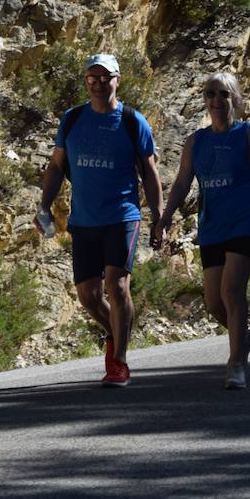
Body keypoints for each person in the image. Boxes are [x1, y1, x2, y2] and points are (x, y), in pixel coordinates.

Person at [151, 72, 250, 390]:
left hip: (245, 223)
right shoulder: (196, 141)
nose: (216, 101)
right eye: (210, 94)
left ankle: (236, 364)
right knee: (214, 303)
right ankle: (243, 337)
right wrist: (164, 218)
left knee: (232, 291)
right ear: (205, 100)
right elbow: (181, 183)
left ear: (235, 100)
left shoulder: (247, 135)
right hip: (212, 227)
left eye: (224, 94)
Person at [36, 53, 163, 387]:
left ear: (117, 79)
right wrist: (44, 206)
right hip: (84, 219)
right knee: (89, 296)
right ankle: (115, 332)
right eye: (91, 78)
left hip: (122, 216)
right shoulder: (73, 119)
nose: (97, 84)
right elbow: (56, 165)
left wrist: (159, 218)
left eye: (104, 77)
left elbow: (150, 174)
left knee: (117, 286)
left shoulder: (133, 121)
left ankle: (119, 363)